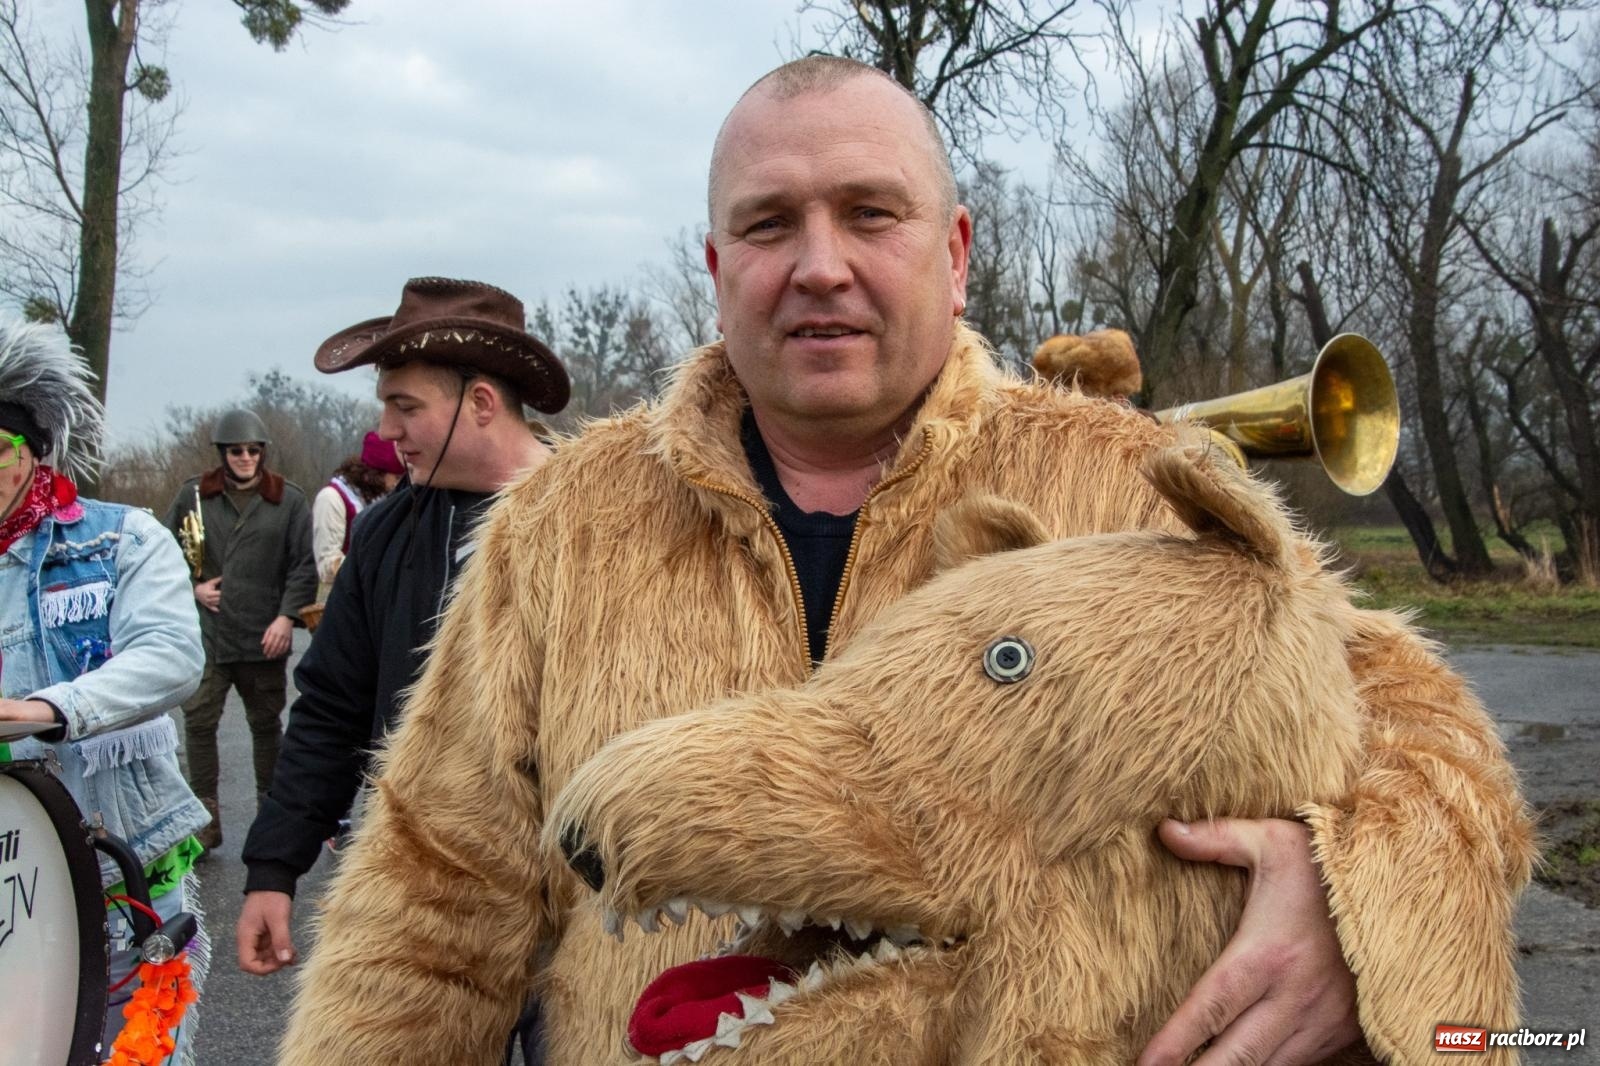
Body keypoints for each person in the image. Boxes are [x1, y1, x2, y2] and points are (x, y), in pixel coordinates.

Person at [278, 60, 1533, 1066]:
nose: (819, 262)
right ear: (718, 272)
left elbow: (1429, 735)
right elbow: (433, 907)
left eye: (869, 212)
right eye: (769, 225)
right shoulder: (560, 528)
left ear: (955, 250)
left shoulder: (1129, 478)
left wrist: (1347, 902)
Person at [237, 277, 568, 1058]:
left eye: (406, 407)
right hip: (430, 906)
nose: (386, 432)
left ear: (481, 403)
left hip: (582, 909)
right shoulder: (385, 535)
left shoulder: (608, 521)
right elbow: (328, 710)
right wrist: (272, 867)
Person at [0, 318, 211, 1057]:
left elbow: (172, 654)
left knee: (134, 1046)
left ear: (34, 453)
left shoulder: (123, 538)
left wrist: (45, 710)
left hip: (121, 859)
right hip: (8, 871)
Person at [164, 409, 316, 852]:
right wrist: (192, 588)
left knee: (267, 724)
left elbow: (302, 567)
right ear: (223, 454)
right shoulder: (194, 496)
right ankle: (205, 818)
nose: (245, 458)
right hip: (208, 633)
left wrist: (287, 617)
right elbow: (158, 551)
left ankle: (272, 815)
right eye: (236, 451)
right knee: (198, 720)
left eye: (253, 450)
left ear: (262, 452)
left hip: (263, 632)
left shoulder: (288, 500)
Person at [311, 430, 404, 595]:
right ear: (376, 474)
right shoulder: (332, 498)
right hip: (340, 598)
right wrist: (379, 567)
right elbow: (327, 565)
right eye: (396, 478)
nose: (398, 484)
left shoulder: (382, 498)